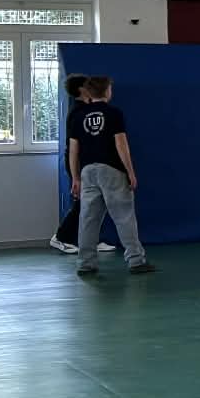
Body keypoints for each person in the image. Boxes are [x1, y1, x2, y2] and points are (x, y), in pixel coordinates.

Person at [68, 76, 153, 278]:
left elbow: (73, 150)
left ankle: (85, 263)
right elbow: (121, 144)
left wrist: (75, 177)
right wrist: (130, 171)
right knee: (124, 217)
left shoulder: (78, 116)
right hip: (112, 170)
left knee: (88, 219)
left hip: (88, 171)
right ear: (107, 91)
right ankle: (136, 260)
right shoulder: (114, 113)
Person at [50, 74, 116, 256]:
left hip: (90, 161)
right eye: (88, 85)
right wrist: (76, 175)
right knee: (82, 203)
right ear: (81, 90)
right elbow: (74, 146)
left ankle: (90, 240)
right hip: (79, 162)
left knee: (96, 202)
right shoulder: (78, 112)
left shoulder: (89, 109)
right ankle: (61, 237)